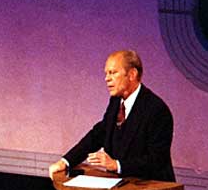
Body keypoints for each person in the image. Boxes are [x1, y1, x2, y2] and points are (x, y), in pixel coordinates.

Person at [49, 50, 175, 182]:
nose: (107, 78)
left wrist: (117, 165)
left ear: (132, 74)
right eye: (106, 73)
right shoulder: (116, 102)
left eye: (113, 72)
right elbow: (98, 135)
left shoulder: (157, 110)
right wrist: (66, 161)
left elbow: (156, 160)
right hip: (119, 189)